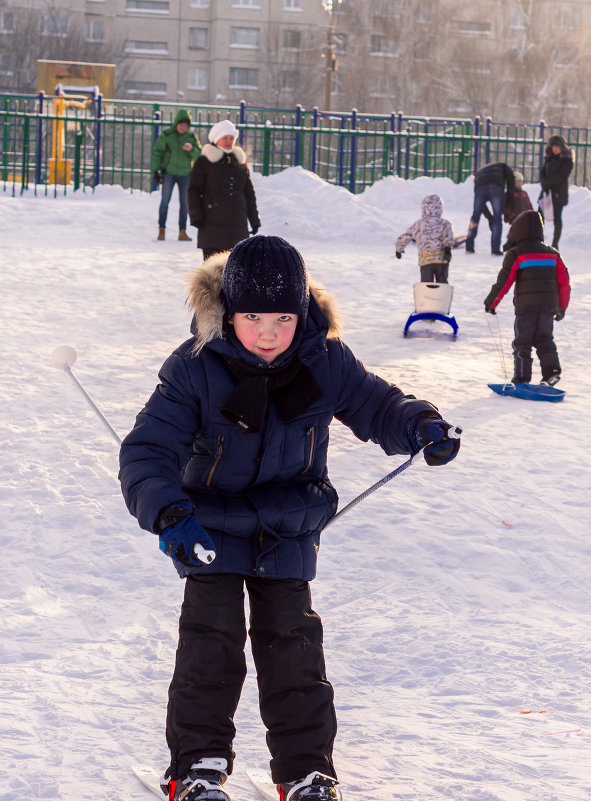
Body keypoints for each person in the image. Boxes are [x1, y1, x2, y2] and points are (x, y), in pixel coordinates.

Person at [119, 235, 461, 801]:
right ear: (229, 313)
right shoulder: (195, 367)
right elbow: (147, 451)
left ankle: (306, 770)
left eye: (283, 318)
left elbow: (377, 403)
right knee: (212, 645)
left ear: (302, 313)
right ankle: (197, 766)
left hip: (287, 527)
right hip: (210, 528)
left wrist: (419, 424)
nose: (270, 333)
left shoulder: (324, 359)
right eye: (253, 317)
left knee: (294, 649)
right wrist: (169, 514)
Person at [484, 210, 570, 385]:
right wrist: (561, 307)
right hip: (548, 306)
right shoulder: (552, 253)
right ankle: (551, 372)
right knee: (545, 339)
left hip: (526, 308)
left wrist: (492, 303)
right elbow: (564, 283)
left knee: (523, 342)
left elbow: (504, 281)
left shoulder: (516, 253)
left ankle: (522, 377)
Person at [188, 120, 261, 259]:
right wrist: (196, 215)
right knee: (213, 273)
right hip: (211, 224)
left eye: (231, 138)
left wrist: (254, 219)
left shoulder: (240, 162)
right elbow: (194, 190)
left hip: (238, 224)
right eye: (225, 138)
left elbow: (249, 193)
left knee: (237, 269)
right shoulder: (204, 161)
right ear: (216, 139)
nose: (229, 141)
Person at [151, 109, 201, 242]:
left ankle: (182, 232)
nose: (183, 127)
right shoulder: (167, 135)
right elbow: (157, 153)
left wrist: (192, 150)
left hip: (185, 175)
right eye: (180, 124)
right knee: (165, 202)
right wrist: (156, 171)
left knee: (184, 204)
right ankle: (161, 229)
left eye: (185, 125)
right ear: (176, 124)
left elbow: (199, 155)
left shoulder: (191, 138)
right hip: (169, 173)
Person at [395, 194, 454, 283]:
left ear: (423, 208)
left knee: (426, 284)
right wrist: (447, 249)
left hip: (425, 261)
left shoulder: (419, 224)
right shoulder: (445, 223)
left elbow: (406, 236)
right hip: (442, 260)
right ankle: (442, 295)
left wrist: (399, 249)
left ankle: (426, 295)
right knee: (442, 283)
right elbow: (448, 237)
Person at [465, 162, 515, 255]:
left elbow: (480, 205)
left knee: (475, 216)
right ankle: (495, 249)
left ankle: (469, 246)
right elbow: (511, 179)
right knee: (497, 217)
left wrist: (488, 217)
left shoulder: (481, 171)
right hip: (496, 186)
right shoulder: (504, 166)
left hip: (480, 186)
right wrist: (509, 196)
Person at [538, 134, 574, 249]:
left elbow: (562, 176)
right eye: (553, 146)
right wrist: (544, 183)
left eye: (557, 146)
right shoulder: (549, 158)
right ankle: (539, 241)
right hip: (545, 192)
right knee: (539, 216)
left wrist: (548, 183)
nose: (555, 149)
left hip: (558, 193)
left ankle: (555, 244)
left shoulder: (567, 160)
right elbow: (542, 172)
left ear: (562, 147)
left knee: (557, 218)